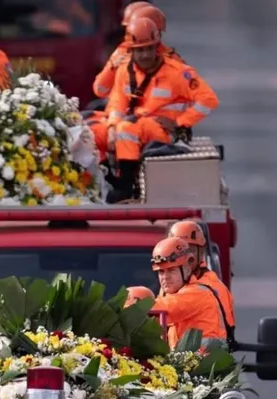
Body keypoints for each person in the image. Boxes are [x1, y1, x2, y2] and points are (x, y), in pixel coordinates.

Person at [93, 17, 218, 203]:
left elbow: (208, 99)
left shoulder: (176, 72)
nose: (144, 55)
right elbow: (117, 103)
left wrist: (179, 123)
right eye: (139, 50)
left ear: (156, 47)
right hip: (132, 124)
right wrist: (111, 126)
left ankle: (125, 186)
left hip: (161, 133)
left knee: (126, 129)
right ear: (130, 49)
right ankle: (104, 181)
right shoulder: (124, 70)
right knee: (92, 131)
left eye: (148, 48)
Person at [92, 4, 183, 100]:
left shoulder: (170, 59)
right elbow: (100, 90)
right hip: (121, 110)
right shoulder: (122, 51)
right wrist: (112, 68)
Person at [168, 219, 236, 348]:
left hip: (202, 364)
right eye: (178, 252)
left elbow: (162, 309)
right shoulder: (175, 282)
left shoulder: (204, 287)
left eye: (190, 250)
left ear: (201, 253)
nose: (185, 257)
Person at [150, 237, 228, 349]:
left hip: (203, 365)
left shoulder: (195, 294)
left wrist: (127, 303)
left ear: (186, 269)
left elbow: (157, 308)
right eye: (161, 272)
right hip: (191, 364)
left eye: (171, 270)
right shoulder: (172, 294)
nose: (165, 277)